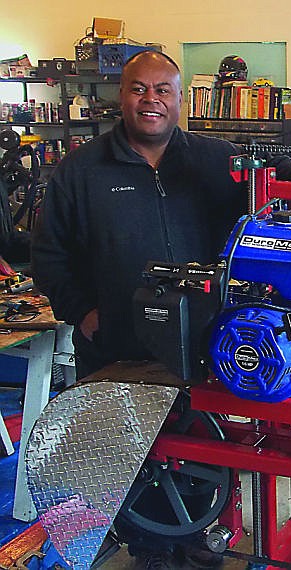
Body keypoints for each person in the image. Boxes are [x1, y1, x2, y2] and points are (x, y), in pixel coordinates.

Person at [31, 50, 246, 567]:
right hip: (116, 349)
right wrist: (84, 314)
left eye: (163, 90)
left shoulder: (213, 160)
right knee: (126, 456)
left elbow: (284, 182)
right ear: (120, 97)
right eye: (138, 89)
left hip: (200, 345)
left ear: (180, 100)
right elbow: (49, 255)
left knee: (202, 445)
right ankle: (145, 546)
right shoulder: (79, 171)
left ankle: (198, 535)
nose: (151, 100)